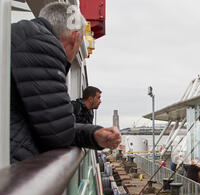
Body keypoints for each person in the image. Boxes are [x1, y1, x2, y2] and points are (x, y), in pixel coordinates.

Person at [10, 2, 121, 163]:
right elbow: (58, 133)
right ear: (76, 37)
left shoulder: (23, 36)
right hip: (12, 176)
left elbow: (51, 122)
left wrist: (94, 134)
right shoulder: (44, 46)